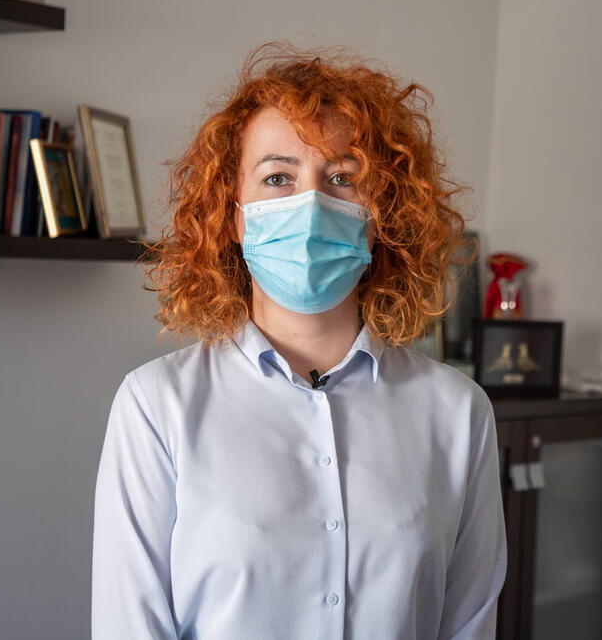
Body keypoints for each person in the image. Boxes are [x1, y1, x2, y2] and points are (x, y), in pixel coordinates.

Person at [91, 42, 506, 640]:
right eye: (277, 177)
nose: (310, 205)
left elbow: (469, 623)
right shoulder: (156, 406)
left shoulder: (459, 412)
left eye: (342, 178)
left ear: (381, 213)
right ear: (234, 217)